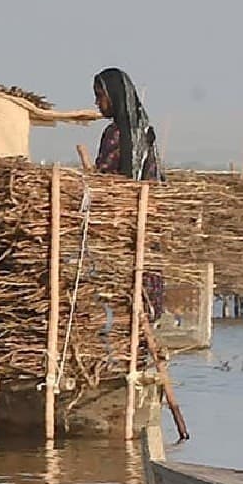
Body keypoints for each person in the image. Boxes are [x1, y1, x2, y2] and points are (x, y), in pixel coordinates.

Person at [93, 67, 166, 318]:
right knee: (144, 300)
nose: (97, 103)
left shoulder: (115, 134)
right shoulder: (147, 133)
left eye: (100, 96)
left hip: (121, 227)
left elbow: (103, 181)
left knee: (118, 299)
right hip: (148, 228)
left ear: (114, 96)